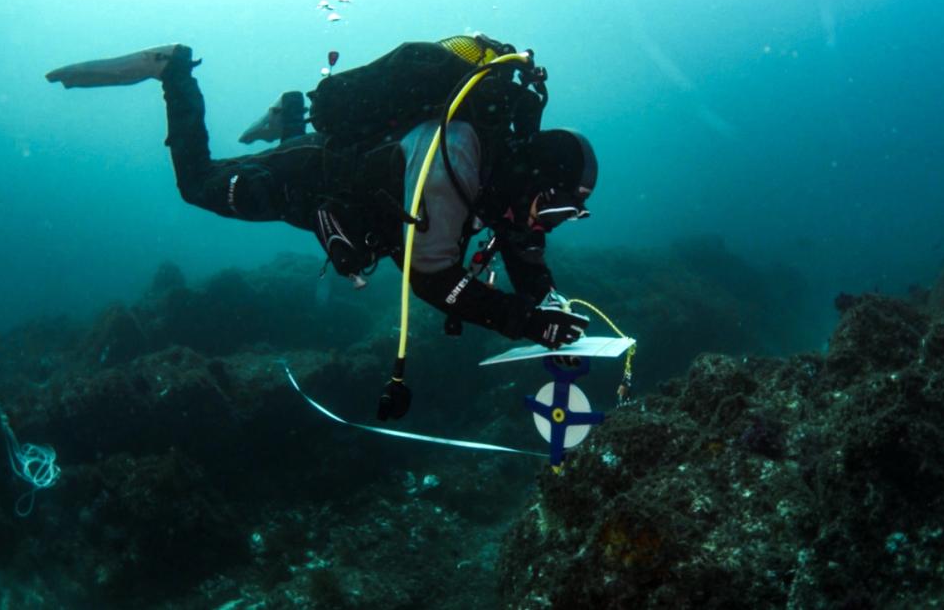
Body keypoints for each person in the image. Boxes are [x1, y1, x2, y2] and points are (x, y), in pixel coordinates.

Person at [46, 36, 597, 415]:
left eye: (564, 216)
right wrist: (525, 323)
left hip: (350, 199)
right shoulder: (454, 161)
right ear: (537, 180)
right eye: (551, 209)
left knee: (299, 170)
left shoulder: (512, 177)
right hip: (307, 179)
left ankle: (286, 112)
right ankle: (172, 70)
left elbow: (525, 250)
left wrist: (549, 311)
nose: (545, 224)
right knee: (197, 185)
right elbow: (432, 279)